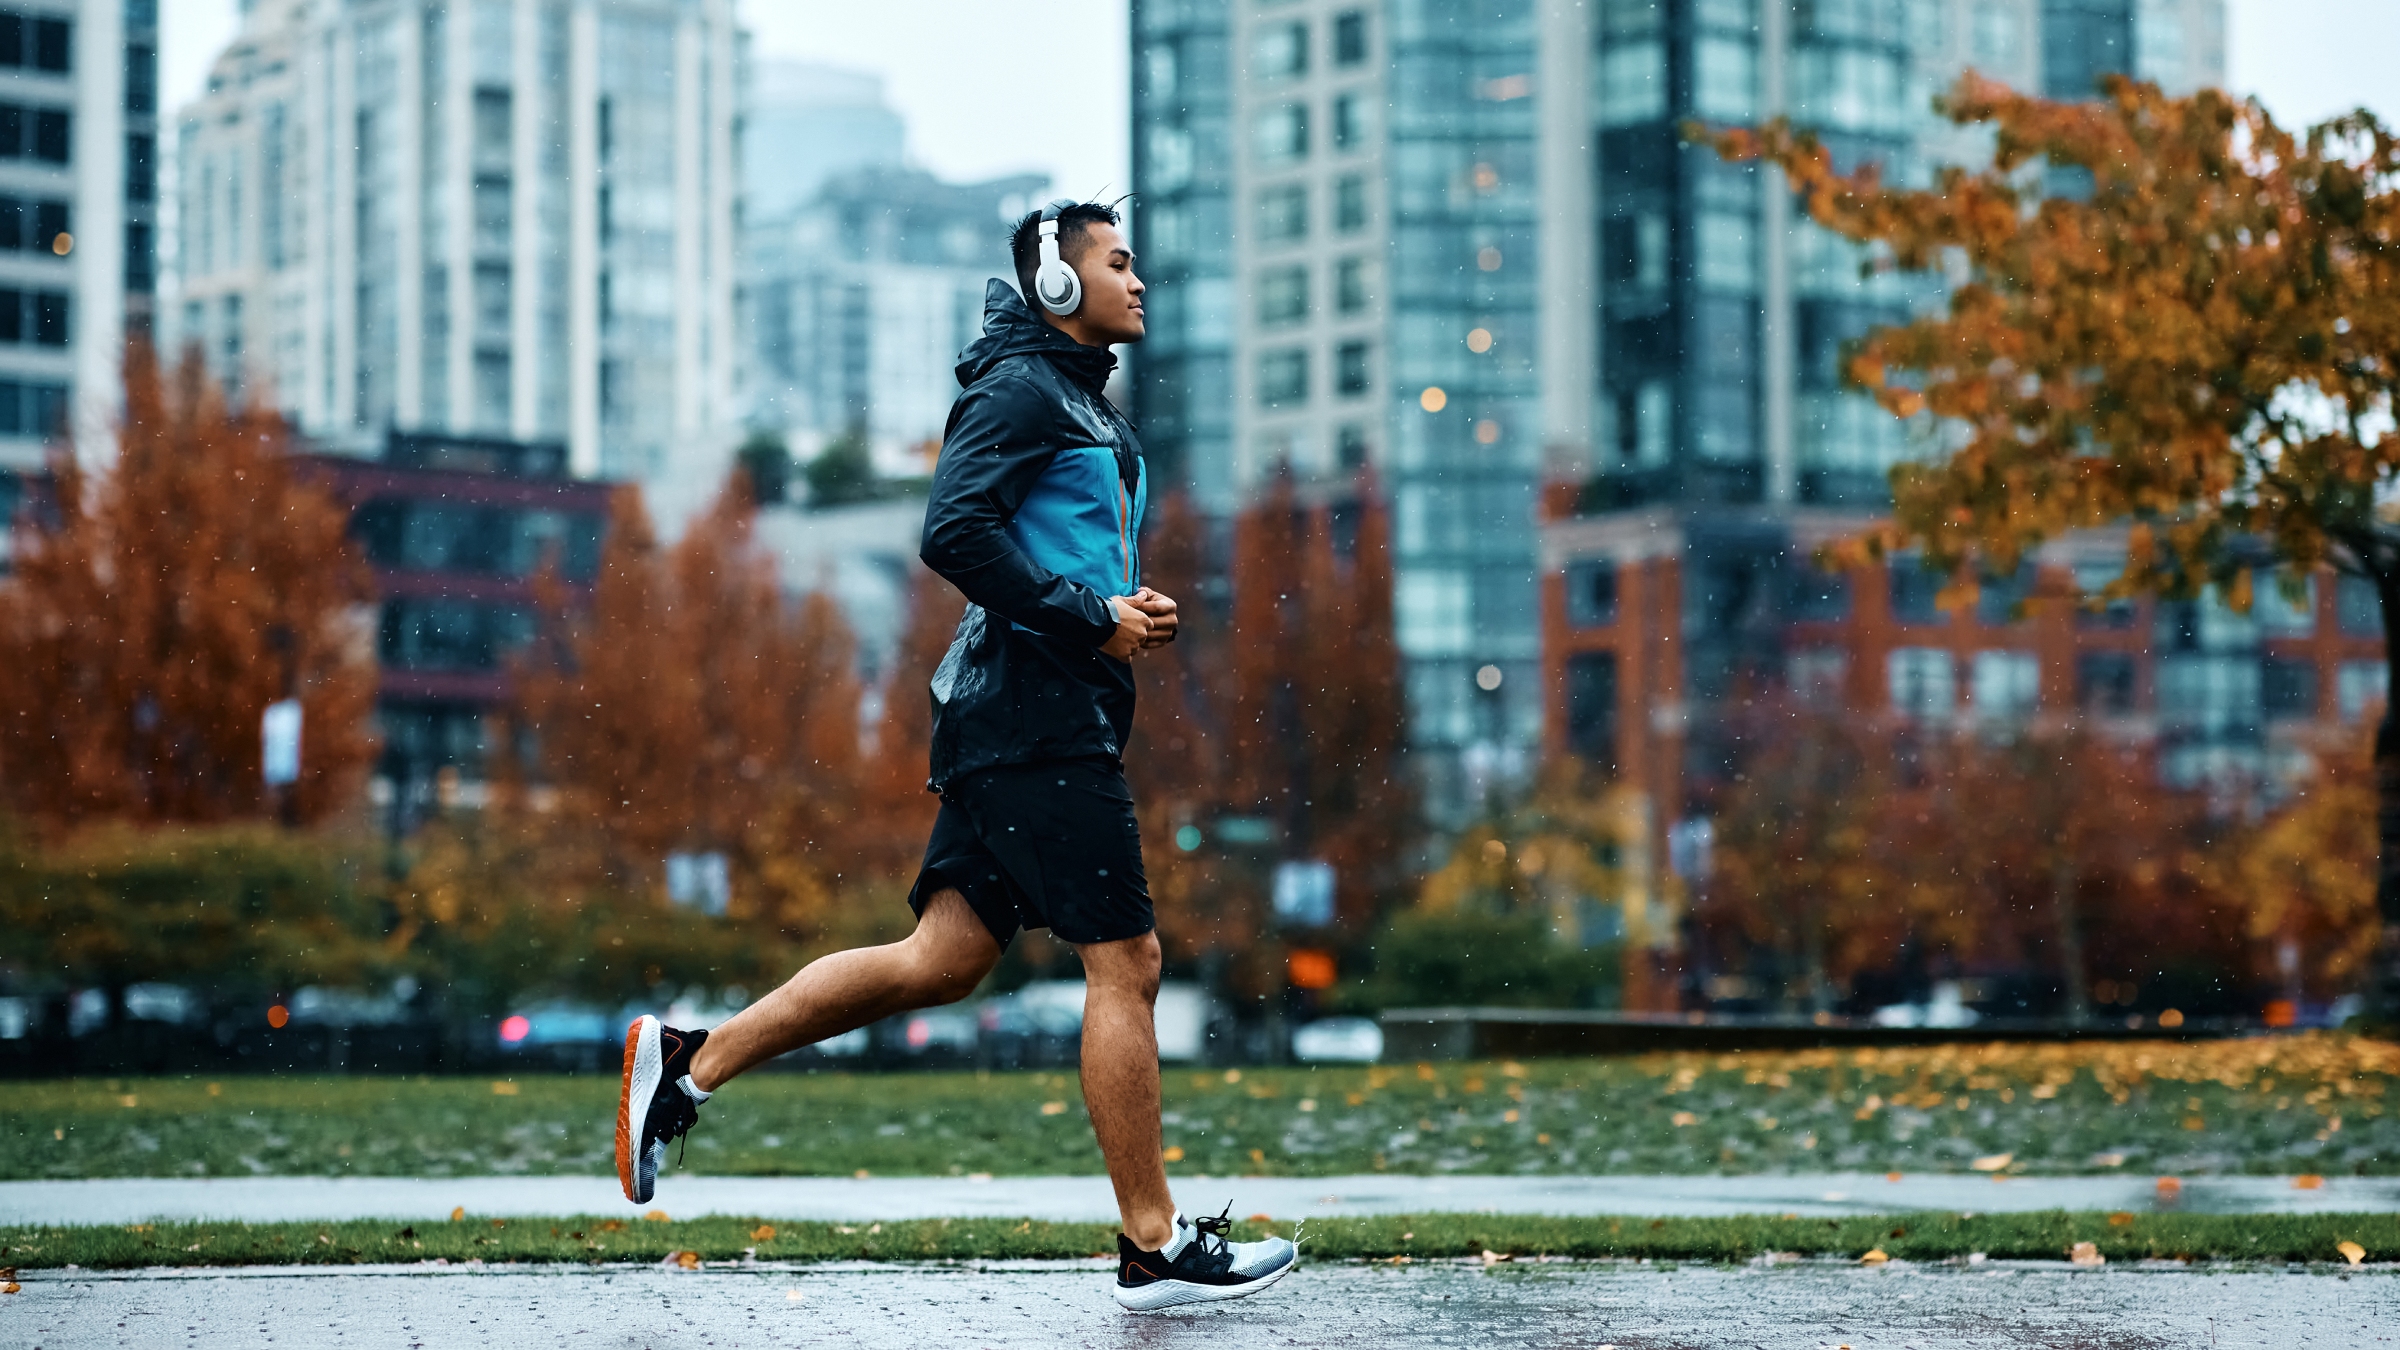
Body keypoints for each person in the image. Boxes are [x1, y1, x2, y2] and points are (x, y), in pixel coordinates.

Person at [616, 199, 1296, 1312]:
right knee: (1126, 967)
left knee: (940, 960)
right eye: (1117, 264)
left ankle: (684, 1069)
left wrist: (1124, 614)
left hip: (1025, 714)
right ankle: (1154, 1243)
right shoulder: (1021, 389)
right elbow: (951, 530)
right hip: (1033, 721)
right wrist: (1089, 618)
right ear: (1060, 288)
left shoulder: (1075, 401)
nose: (1139, 282)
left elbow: (1047, 551)